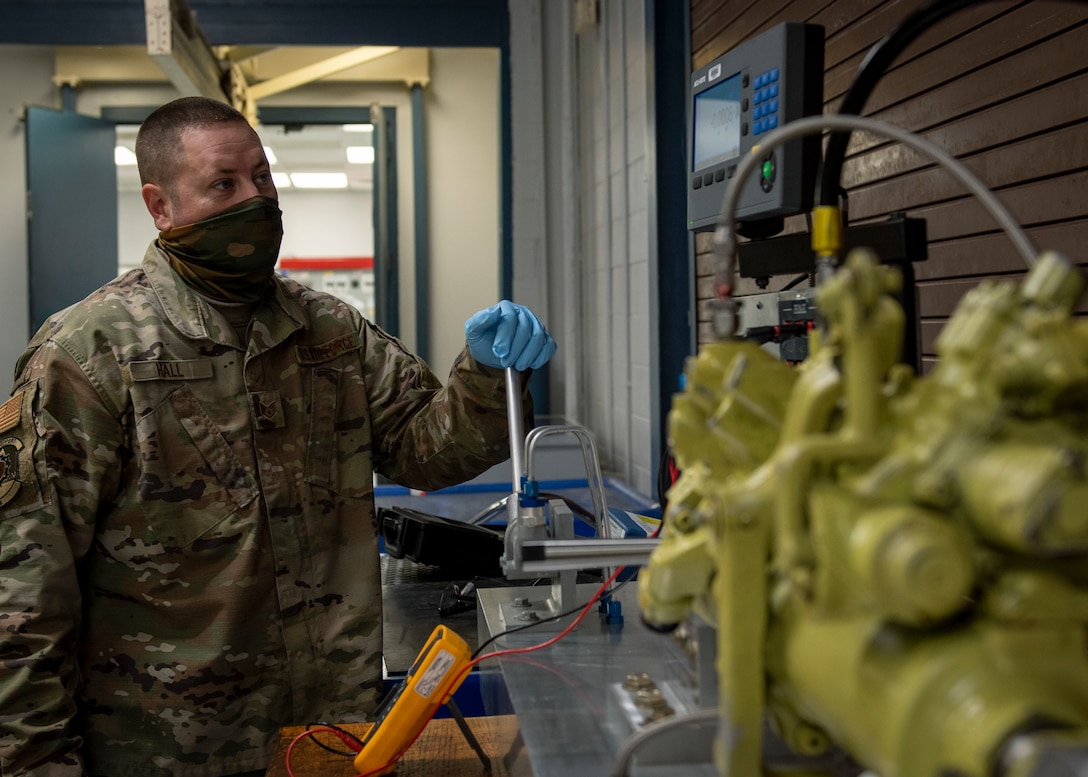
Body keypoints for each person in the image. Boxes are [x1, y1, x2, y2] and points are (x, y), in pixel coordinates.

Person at [0, 95, 555, 777]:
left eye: (262, 178)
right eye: (223, 184)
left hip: (329, 734)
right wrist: (34, 762)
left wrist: (485, 375)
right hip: (167, 749)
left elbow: (428, 447)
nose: (254, 200)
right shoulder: (89, 355)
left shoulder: (328, 332)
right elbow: (24, 591)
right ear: (161, 205)